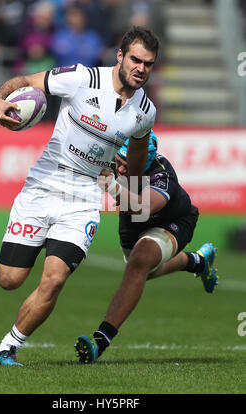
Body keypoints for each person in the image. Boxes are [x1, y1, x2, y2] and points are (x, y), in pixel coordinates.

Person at [0, 26, 160, 366]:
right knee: (9, 279)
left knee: (54, 280)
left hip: (83, 197)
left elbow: (138, 157)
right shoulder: (82, 78)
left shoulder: (145, 112)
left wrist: (127, 176)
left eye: (149, 64)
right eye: (136, 60)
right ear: (120, 56)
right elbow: (25, 80)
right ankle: (25, 246)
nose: (141, 68)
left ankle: (8, 348)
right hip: (43, 184)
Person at [75, 132, 218, 364]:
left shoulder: (162, 174)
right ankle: (197, 261)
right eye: (118, 163)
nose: (120, 169)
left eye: (127, 165)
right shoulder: (110, 156)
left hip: (173, 220)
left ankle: (99, 341)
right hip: (132, 224)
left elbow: (145, 207)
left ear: (145, 160)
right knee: (143, 271)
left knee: (140, 261)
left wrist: (112, 186)